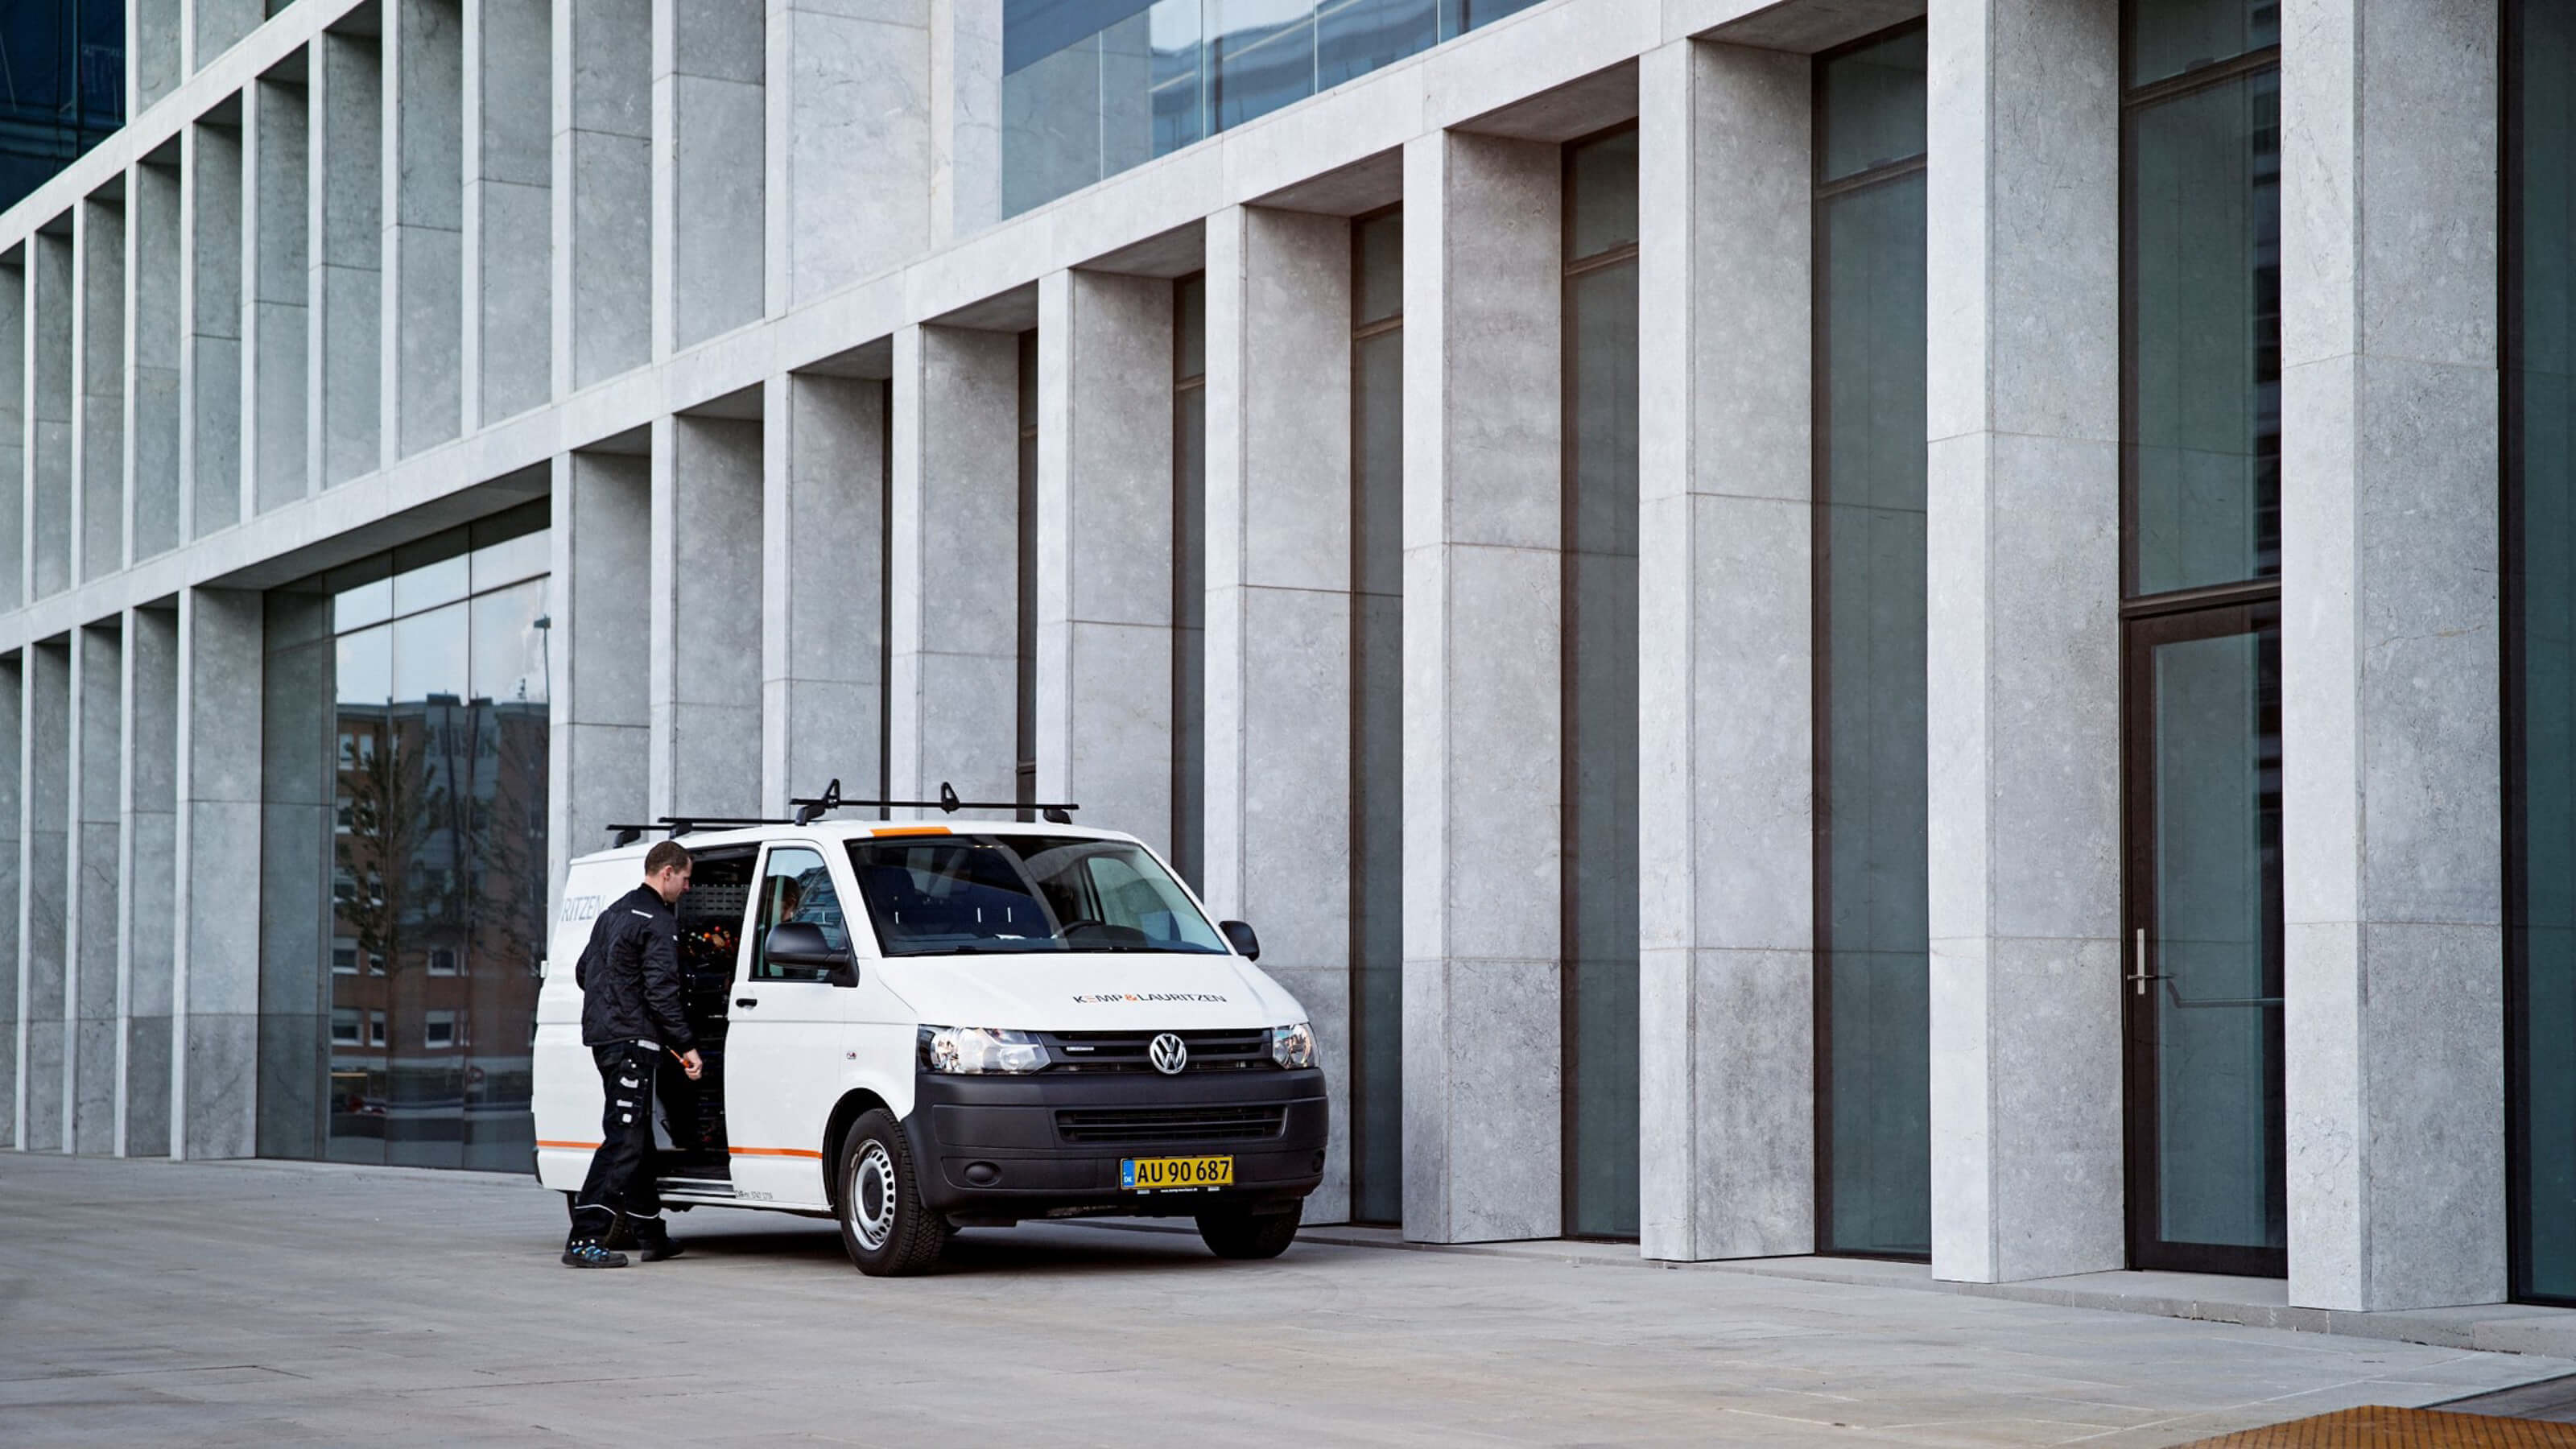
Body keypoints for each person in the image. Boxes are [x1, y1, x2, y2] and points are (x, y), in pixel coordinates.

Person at [564, 840, 704, 1269]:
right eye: (685, 879)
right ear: (667, 873)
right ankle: (584, 1239)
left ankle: (651, 1234)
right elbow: (662, 992)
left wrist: (615, 1004)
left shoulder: (614, 913)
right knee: (623, 1139)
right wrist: (686, 1045)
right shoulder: (658, 921)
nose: (687, 888)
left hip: (606, 1040)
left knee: (637, 1137)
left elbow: (583, 972)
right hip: (632, 1042)